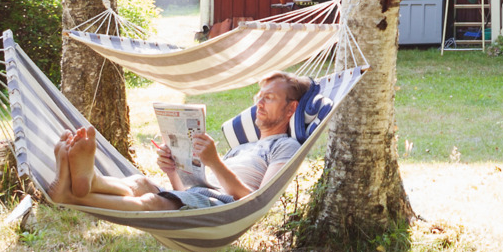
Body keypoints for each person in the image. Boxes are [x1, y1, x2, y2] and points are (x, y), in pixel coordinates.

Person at [46, 71, 311, 211]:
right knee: (141, 182)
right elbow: (189, 191)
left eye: (270, 98)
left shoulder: (285, 146)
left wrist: (216, 163)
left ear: (290, 109)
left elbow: (258, 200)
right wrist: (173, 171)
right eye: (259, 96)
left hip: (221, 207)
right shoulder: (242, 148)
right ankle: (90, 181)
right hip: (197, 196)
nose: (259, 103)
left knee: (151, 203)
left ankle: (70, 195)